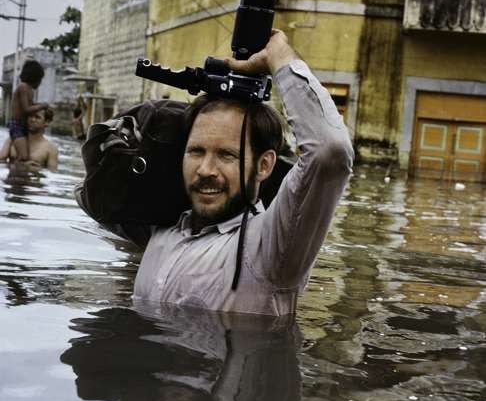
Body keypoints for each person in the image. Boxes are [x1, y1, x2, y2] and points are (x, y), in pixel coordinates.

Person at [80, 30, 354, 316]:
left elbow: (330, 152)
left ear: (264, 165)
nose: (206, 170)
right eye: (196, 151)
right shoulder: (160, 228)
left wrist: (279, 56)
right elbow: (97, 193)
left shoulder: (271, 249)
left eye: (227, 155)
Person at [8, 59, 48, 162]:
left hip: (24, 126)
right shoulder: (23, 87)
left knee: (24, 156)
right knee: (23, 157)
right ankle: (15, 174)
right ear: (34, 78)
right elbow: (26, 109)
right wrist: (42, 105)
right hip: (17, 126)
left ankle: (19, 175)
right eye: (40, 80)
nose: (40, 83)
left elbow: (31, 106)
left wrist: (42, 106)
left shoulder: (29, 90)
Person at [0, 106, 58, 171]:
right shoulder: (13, 139)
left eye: (37, 117)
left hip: (32, 180)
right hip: (12, 179)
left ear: (47, 122)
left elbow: (52, 172)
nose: (32, 120)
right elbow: (1, 161)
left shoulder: (51, 149)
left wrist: (33, 168)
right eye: (30, 116)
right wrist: (20, 165)